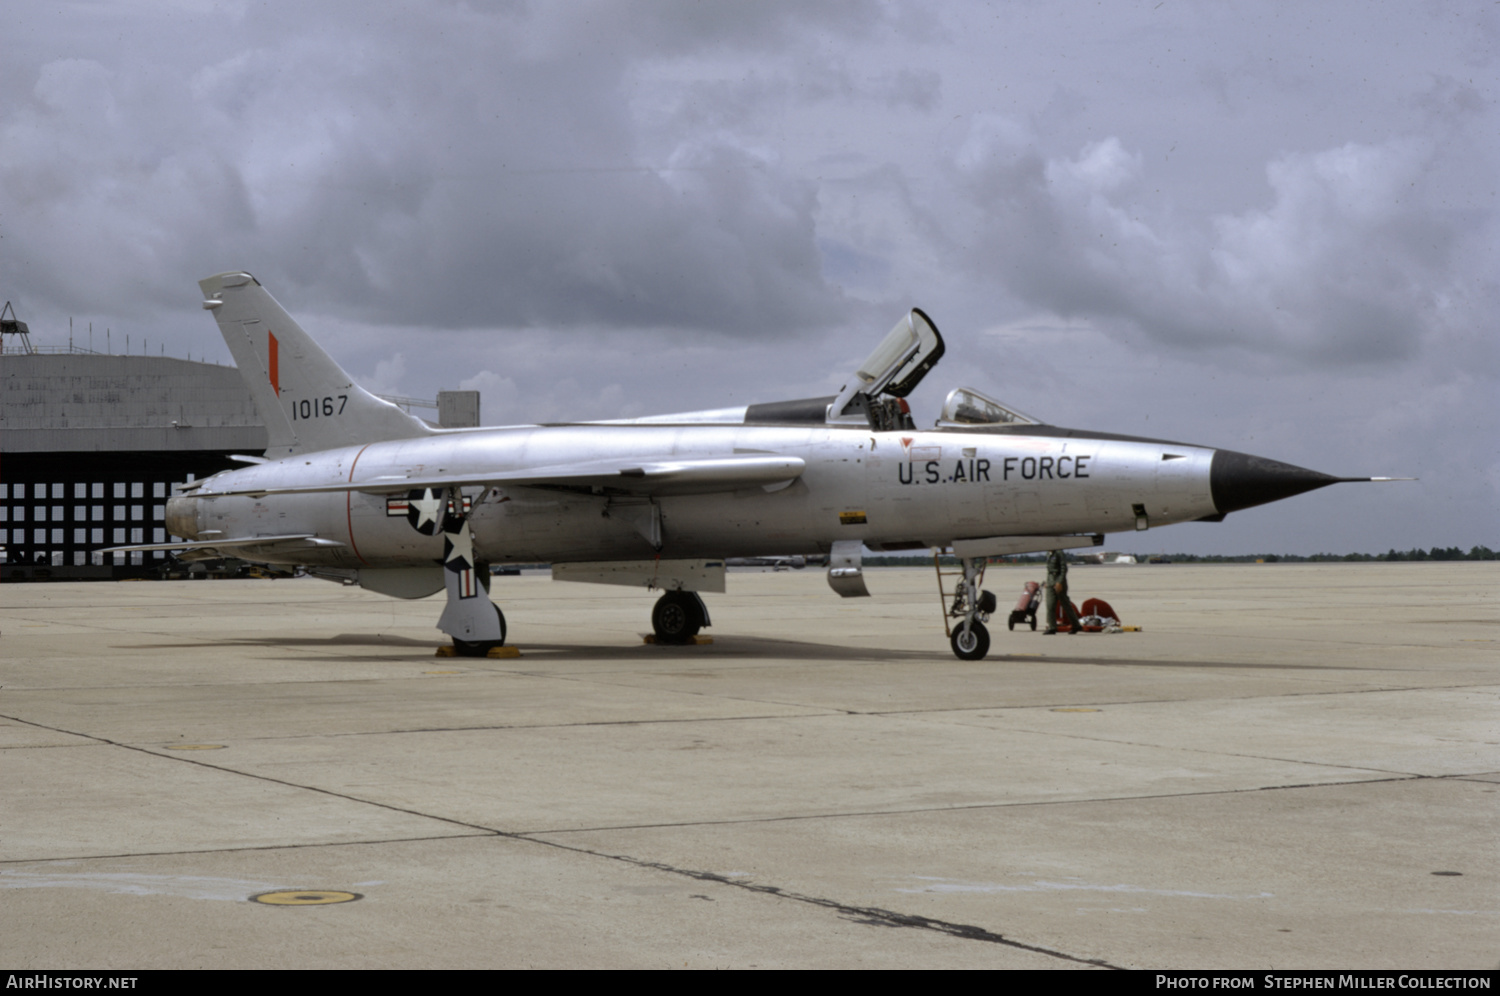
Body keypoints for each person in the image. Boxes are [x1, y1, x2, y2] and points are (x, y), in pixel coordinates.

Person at [1043, 548, 1083, 635]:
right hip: (1050, 581)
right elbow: (1049, 571)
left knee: (1065, 605)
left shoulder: (1059, 553)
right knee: (1050, 605)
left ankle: (1076, 625)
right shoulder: (1048, 553)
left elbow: (1063, 568)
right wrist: (1047, 582)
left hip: (1059, 581)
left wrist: (1060, 582)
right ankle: (1052, 627)